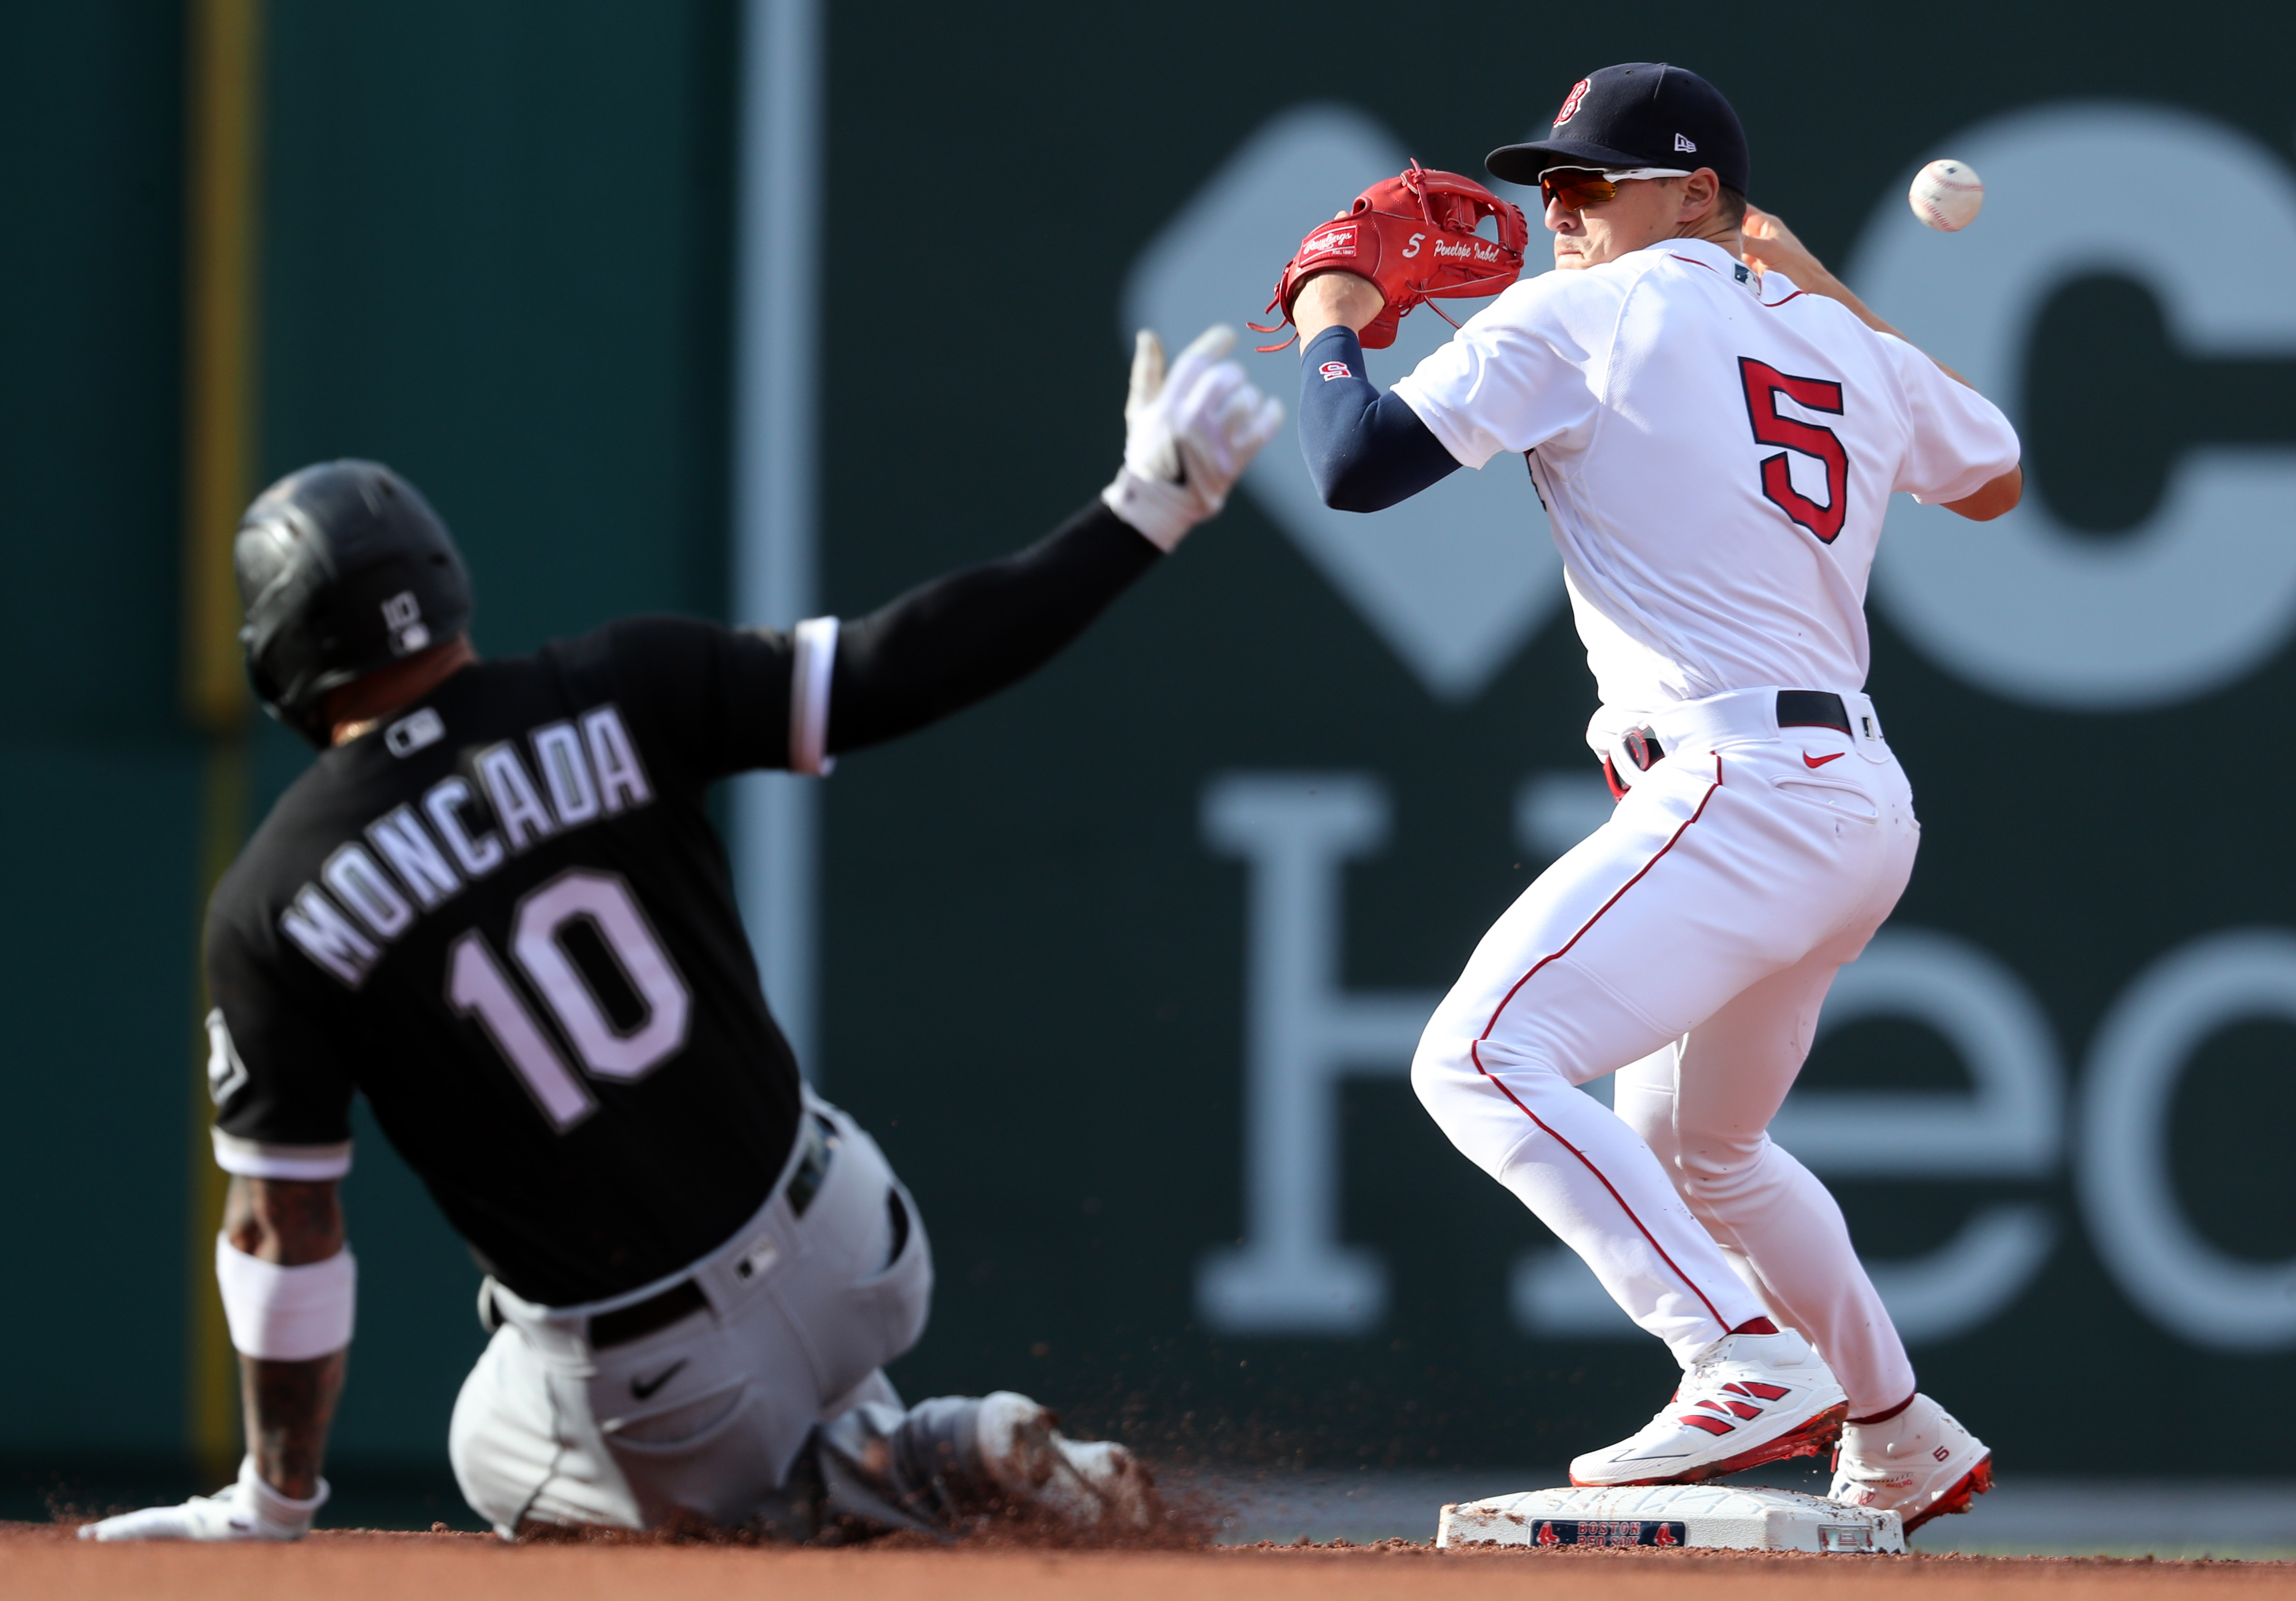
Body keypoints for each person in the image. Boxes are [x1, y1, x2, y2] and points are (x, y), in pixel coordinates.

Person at [83, 327, 1283, 1543]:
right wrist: (1147, 506)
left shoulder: (277, 894)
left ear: (281, 651)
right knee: (724, 1358)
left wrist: (272, 1501)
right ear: (443, 580)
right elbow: (902, 665)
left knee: (491, 1444)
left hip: (671, 1384)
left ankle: (897, 1472)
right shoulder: (619, 680)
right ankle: (887, 1446)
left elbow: (284, 1228)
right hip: (856, 1235)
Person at [1282, 63, 2020, 1535]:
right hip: (1852, 800)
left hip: (1738, 782)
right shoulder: (1827, 335)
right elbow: (1991, 471)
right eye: (1548, 182)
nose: (1558, 209)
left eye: (1591, 182)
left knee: (1480, 1059)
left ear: (1695, 194)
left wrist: (1328, 317)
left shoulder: (1582, 313)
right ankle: (1894, 1423)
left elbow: (1354, 464)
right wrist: (1816, 283)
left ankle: (1734, 1352)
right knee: (1702, 1142)